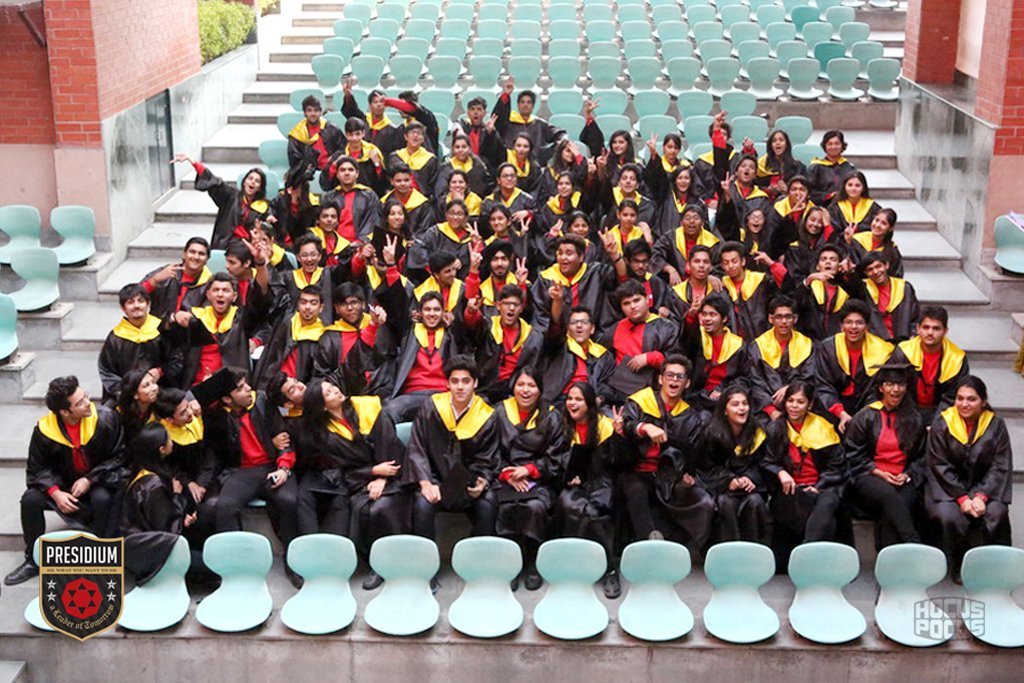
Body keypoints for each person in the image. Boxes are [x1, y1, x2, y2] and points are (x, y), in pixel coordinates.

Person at [5, 376, 125, 585]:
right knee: (30, 500)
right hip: (63, 484)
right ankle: (33, 560)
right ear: (65, 412)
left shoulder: (105, 420)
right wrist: (55, 492)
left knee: (103, 498)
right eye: (80, 402)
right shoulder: (45, 431)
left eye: (85, 396)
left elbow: (119, 457)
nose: (88, 403)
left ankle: (101, 556)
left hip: (97, 480)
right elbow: (36, 468)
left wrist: (90, 479)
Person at [300, 378, 411, 589]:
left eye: (333, 387)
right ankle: (375, 562)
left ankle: (388, 563)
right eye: (328, 393)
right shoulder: (326, 434)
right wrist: (372, 472)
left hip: (394, 474)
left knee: (381, 508)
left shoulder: (367, 407)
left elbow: (390, 444)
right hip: (361, 481)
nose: (336, 391)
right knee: (363, 509)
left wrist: (382, 477)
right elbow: (341, 470)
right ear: (323, 406)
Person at [203, 368, 301, 585]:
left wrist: (283, 468)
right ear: (227, 399)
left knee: (289, 500)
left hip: (271, 466)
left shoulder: (263, 401)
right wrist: (210, 385)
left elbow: (285, 440)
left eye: (246, 384)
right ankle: (234, 569)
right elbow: (195, 401)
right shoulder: (218, 415)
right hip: (242, 472)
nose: (249, 389)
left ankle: (293, 561)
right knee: (225, 507)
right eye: (240, 388)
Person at [403, 356, 501, 563]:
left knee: (488, 502)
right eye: (454, 381)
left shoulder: (486, 416)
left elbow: (488, 458)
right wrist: (426, 483)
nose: (460, 387)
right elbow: (417, 447)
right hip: (435, 481)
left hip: (466, 484)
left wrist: (481, 482)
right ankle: (425, 565)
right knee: (422, 504)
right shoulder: (431, 407)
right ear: (447, 383)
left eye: (466, 381)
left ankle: (479, 563)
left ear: (475, 383)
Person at [621, 356, 714, 557]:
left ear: (687, 383)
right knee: (637, 491)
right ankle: (648, 552)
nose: (674, 380)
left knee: (702, 501)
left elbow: (691, 454)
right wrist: (644, 427)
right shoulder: (641, 401)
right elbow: (627, 425)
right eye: (670, 375)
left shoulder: (691, 417)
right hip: (635, 469)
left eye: (680, 377)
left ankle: (683, 551)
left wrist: (686, 477)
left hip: (668, 476)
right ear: (660, 379)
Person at [925, 376, 1013, 579]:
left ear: (983, 401)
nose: (964, 404)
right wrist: (962, 498)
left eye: (971, 399)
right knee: (949, 515)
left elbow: (1000, 465)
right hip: (947, 489)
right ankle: (959, 564)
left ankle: (994, 565)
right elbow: (939, 465)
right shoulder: (942, 423)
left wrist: (981, 496)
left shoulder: (996, 425)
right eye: (960, 398)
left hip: (985, 487)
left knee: (996, 512)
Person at [493, 367, 569, 591]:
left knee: (535, 507)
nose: (525, 390)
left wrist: (530, 469)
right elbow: (488, 451)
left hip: (540, 480)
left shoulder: (552, 416)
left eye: (531, 385)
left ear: (540, 389)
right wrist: (507, 473)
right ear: (513, 387)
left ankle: (533, 561)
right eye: (521, 385)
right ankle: (511, 564)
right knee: (505, 506)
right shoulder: (499, 412)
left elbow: (558, 457)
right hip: (505, 478)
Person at [764, 382, 846, 572]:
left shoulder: (823, 427)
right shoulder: (776, 428)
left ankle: (806, 551)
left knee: (829, 500)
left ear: (810, 404)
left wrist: (818, 486)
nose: (794, 406)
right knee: (827, 518)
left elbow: (837, 465)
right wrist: (780, 472)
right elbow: (766, 462)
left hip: (821, 487)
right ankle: (815, 561)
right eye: (790, 401)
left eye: (800, 402)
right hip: (790, 490)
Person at [555, 381, 627, 598]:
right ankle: (583, 565)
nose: (572, 403)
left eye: (578, 399)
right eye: (570, 398)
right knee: (570, 503)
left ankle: (609, 569)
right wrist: (568, 476)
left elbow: (618, 462)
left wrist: (619, 436)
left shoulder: (605, 426)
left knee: (596, 510)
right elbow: (554, 458)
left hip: (601, 482)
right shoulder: (561, 425)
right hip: (574, 483)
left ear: (589, 403)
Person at [843, 362, 926, 549]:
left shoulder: (914, 418)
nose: (896, 389)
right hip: (867, 475)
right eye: (890, 384)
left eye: (901, 385)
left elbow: (922, 456)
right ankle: (914, 544)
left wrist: (908, 473)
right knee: (889, 495)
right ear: (881, 388)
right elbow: (852, 454)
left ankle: (886, 556)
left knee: (902, 502)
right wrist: (877, 472)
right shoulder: (865, 416)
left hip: (903, 477)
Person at [121, 424, 204, 586]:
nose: (172, 441)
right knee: (212, 567)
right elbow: (166, 529)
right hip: (153, 552)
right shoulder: (153, 485)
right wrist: (177, 496)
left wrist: (182, 519)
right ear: (161, 449)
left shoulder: (140, 471)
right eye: (169, 438)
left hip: (144, 543)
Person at [699, 383, 772, 544]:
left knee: (755, 502)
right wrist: (729, 480)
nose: (742, 408)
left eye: (745, 403)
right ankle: (728, 552)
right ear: (725, 410)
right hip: (722, 489)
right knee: (725, 503)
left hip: (751, 488)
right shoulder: (711, 433)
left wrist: (749, 478)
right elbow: (706, 468)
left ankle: (754, 552)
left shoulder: (757, 433)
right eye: (735, 404)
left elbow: (764, 464)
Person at [815, 300, 894, 432]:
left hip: (867, 407)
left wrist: (862, 416)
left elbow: (876, 389)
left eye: (859, 323)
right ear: (841, 326)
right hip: (834, 407)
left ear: (867, 326)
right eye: (848, 322)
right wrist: (840, 413)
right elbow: (823, 386)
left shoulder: (883, 350)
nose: (853, 327)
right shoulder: (828, 348)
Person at [385, 291, 460, 422]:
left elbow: (470, 323)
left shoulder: (452, 334)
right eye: (427, 309)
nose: (432, 314)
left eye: (437, 310)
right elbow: (395, 307)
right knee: (391, 409)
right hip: (413, 394)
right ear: (419, 313)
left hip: (444, 393)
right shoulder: (409, 333)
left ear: (444, 313)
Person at [601, 279, 679, 401]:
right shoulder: (617, 327)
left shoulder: (667, 327)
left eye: (636, 300)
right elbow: (600, 354)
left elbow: (678, 361)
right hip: (617, 392)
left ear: (647, 300)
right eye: (626, 303)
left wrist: (650, 358)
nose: (632, 306)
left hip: (653, 393)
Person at [464, 284, 543, 402]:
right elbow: (472, 327)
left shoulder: (533, 337)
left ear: (521, 308)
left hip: (516, 394)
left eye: (516, 305)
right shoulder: (488, 327)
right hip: (485, 390)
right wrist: (471, 311)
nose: (511, 308)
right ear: (498, 305)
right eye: (506, 303)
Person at [889, 306, 970, 424]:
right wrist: (913, 421)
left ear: (945, 331)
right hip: (906, 412)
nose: (930, 333)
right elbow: (893, 388)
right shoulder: (903, 352)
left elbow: (952, 397)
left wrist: (937, 424)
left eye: (936, 328)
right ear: (918, 329)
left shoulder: (957, 358)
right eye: (926, 327)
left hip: (942, 415)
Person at [172, 154, 269, 250]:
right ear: (244, 182)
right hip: (225, 244)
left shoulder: (263, 207)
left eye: (257, 181)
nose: (253, 182)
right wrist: (193, 162)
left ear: (260, 188)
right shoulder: (231, 196)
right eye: (250, 179)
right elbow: (214, 181)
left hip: (247, 248)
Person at [98, 284, 175, 401]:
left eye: (140, 301)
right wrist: (126, 391)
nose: (136, 306)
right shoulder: (115, 338)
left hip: (161, 393)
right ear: (123, 308)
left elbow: (176, 360)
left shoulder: (162, 330)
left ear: (148, 304)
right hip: (129, 397)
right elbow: (107, 371)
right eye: (130, 302)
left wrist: (161, 371)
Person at [747, 296, 817, 421]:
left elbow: (809, 378)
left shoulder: (806, 345)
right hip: (766, 409)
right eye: (779, 317)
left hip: (798, 406)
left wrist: (791, 388)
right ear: (771, 319)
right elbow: (756, 383)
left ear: (795, 318)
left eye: (788, 317)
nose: (784, 321)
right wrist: (771, 411)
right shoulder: (758, 346)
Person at [531, 234, 610, 333]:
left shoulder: (595, 273)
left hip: (593, 334)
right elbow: (544, 322)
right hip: (559, 338)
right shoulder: (546, 278)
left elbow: (620, 279)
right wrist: (557, 301)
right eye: (560, 253)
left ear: (581, 257)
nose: (563, 257)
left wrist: (613, 254)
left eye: (569, 253)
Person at [682, 293, 748, 412]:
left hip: (724, 397)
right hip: (695, 397)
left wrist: (723, 390)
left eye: (712, 315)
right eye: (704, 314)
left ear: (724, 318)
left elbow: (743, 377)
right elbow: (686, 341)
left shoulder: (738, 345)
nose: (707, 319)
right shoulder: (698, 337)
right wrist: (691, 315)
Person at [541, 304, 617, 405]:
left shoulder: (603, 355)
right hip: (559, 402)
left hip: (590, 402)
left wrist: (599, 399)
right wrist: (557, 301)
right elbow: (554, 330)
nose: (579, 326)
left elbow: (610, 385)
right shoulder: (558, 347)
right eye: (573, 322)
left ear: (592, 329)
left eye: (584, 322)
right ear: (567, 329)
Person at [253, 286, 326, 389]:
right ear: (298, 304)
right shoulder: (286, 323)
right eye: (303, 302)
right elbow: (270, 356)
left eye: (313, 303)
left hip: (298, 389)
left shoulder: (322, 336)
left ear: (321, 307)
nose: (307, 307)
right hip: (275, 384)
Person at [718, 240, 781, 340]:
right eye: (726, 263)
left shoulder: (761, 281)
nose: (730, 266)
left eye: (734, 261)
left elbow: (786, 286)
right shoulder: (721, 286)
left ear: (743, 261)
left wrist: (771, 264)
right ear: (722, 266)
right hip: (733, 343)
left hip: (762, 339)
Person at [492, 80, 566, 163]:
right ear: (518, 105)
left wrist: (562, 140)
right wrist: (506, 94)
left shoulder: (539, 124)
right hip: (511, 164)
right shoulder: (509, 123)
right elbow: (497, 118)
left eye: (529, 102)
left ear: (533, 106)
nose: (525, 105)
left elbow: (559, 133)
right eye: (522, 102)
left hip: (534, 165)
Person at [852, 253, 919, 343]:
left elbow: (915, 317)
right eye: (870, 269)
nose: (875, 272)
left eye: (878, 266)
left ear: (886, 265)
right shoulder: (863, 288)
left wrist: (913, 335)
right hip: (874, 343)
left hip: (902, 341)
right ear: (866, 273)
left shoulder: (904, 288)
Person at [140, 237, 213, 319]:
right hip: (158, 324)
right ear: (184, 254)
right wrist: (155, 280)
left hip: (190, 325)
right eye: (192, 252)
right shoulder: (166, 272)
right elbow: (136, 295)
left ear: (207, 259)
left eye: (201, 254)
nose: (196, 257)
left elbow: (210, 314)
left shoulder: (211, 283)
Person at [793, 243, 852, 340]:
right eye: (823, 259)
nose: (828, 262)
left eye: (833, 260)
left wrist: (850, 273)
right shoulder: (809, 288)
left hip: (836, 342)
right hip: (809, 342)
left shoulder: (847, 291)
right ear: (817, 266)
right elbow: (794, 305)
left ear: (839, 266)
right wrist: (808, 280)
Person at [651, 205, 721, 285]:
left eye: (696, 218)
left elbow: (719, 268)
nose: (692, 221)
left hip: (704, 284)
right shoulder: (670, 238)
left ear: (702, 223)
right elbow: (655, 255)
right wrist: (669, 269)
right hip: (675, 284)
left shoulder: (711, 242)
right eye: (687, 218)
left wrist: (710, 276)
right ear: (681, 222)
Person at [319, 155, 383, 243]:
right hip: (334, 244)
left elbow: (372, 222)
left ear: (357, 174)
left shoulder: (369, 195)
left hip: (361, 245)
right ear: (337, 174)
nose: (347, 173)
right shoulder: (329, 197)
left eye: (350, 170)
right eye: (342, 170)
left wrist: (361, 242)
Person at [286, 94, 344, 174]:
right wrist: (306, 166)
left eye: (316, 110)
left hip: (333, 170)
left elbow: (344, 148)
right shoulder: (297, 134)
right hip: (307, 174)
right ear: (304, 113)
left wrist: (334, 158)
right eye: (309, 110)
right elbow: (294, 160)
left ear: (320, 112)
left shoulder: (332, 129)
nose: (313, 114)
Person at [381, 162, 436, 238]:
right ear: (392, 181)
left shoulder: (423, 204)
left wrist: (412, 241)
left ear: (411, 180)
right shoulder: (384, 202)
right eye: (398, 181)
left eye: (406, 180)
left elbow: (425, 230)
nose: (403, 184)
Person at [845, 207, 904, 278]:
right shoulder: (857, 240)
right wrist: (848, 242)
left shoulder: (892, 251)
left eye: (883, 223)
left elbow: (896, 276)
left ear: (890, 228)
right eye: (876, 220)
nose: (878, 225)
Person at [387, 121, 438, 200]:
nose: (415, 135)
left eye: (419, 133)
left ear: (423, 139)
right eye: (412, 132)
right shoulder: (395, 157)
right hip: (397, 199)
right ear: (405, 137)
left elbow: (432, 187)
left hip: (421, 200)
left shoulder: (430, 160)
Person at [807, 130, 855, 206]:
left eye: (837, 143)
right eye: (830, 144)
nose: (833, 147)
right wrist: (828, 196)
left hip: (846, 206)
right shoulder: (815, 168)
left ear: (842, 145)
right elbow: (809, 192)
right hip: (822, 206)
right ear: (825, 146)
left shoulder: (849, 168)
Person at [756, 129, 807, 201]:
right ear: (771, 146)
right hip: (765, 202)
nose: (777, 143)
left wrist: (788, 190)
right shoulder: (763, 166)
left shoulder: (798, 168)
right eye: (774, 141)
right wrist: (767, 190)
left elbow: (805, 191)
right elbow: (754, 187)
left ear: (786, 145)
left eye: (781, 140)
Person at [113, 368, 160, 444]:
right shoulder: (118, 417)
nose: (154, 388)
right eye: (146, 385)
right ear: (135, 394)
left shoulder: (160, 409)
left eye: (153, 382)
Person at [828, 171, 881, 236]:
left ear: (863, 188)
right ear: (844, 187)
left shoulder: (873, 208)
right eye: (850, 185)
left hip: (864, 241)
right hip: (841, 241)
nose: (853, 188)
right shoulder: (835, 207)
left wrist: (857, 232)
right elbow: (833, 231)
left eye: (857, 185)